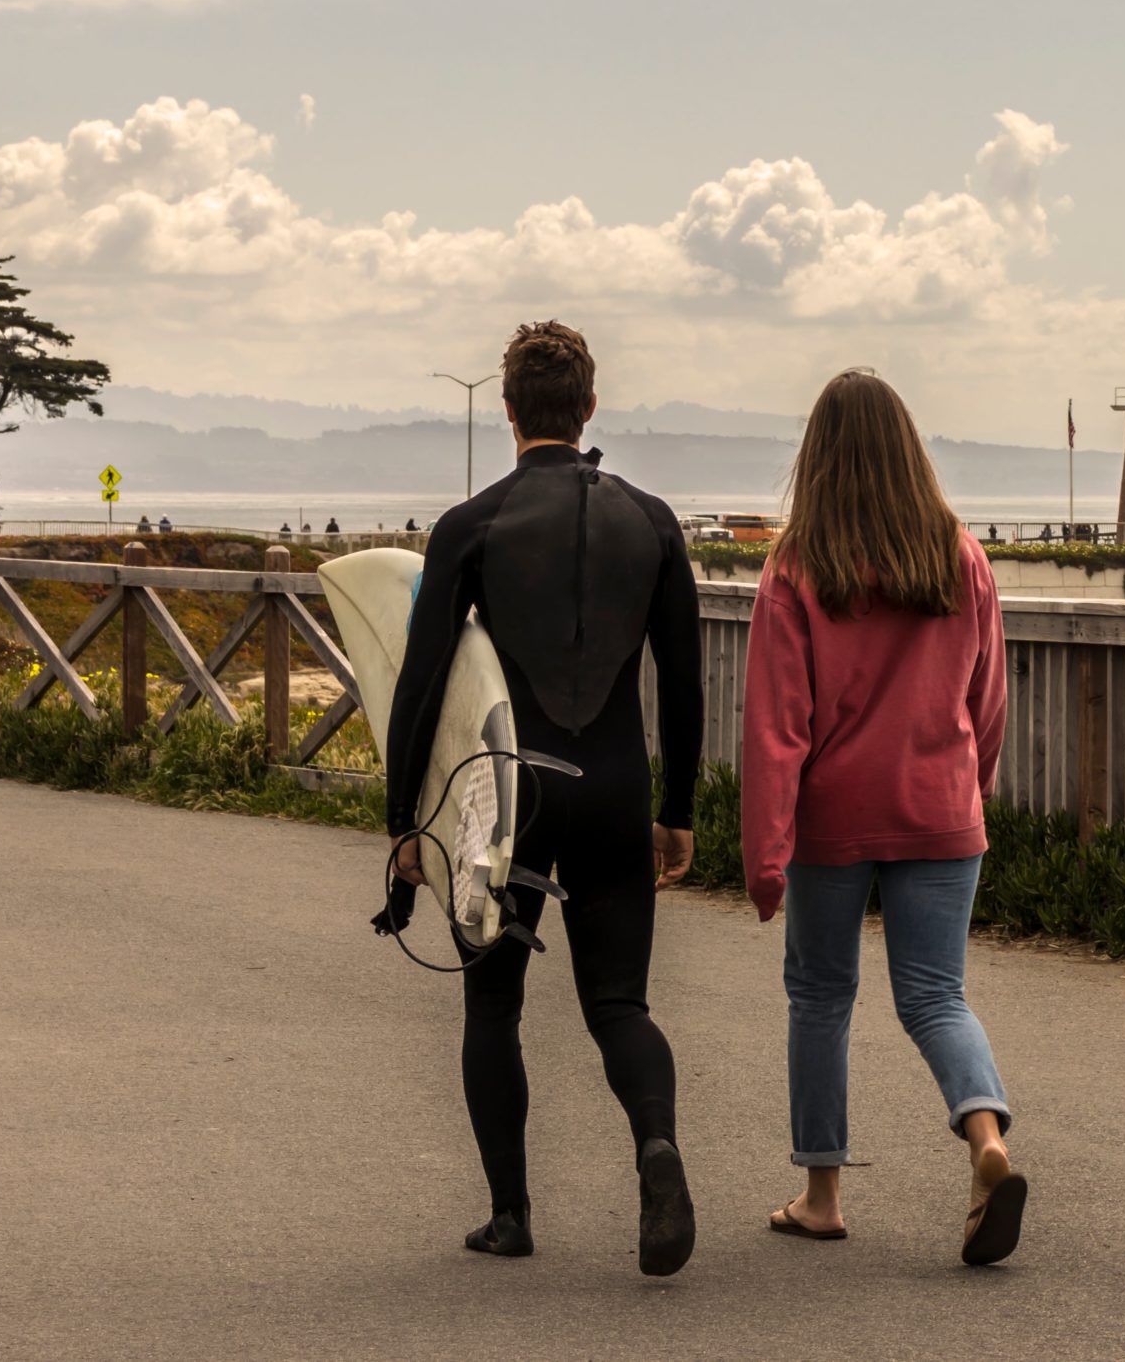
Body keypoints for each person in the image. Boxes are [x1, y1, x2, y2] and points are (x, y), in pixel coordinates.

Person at [383, 320, 707, 1276]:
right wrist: (677, 808)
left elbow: (423, 684)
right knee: (619, 1004)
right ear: (591, 407)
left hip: (503, 795)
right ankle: (657, 1149)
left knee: (494, 1005)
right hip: (614, 790)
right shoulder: (650, 521)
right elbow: (683, 682)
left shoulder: (470, 527)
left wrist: (405, 822)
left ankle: (511, 1215)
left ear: (512, 410)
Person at [741, 368, 1024, 1267]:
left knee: (821, 997)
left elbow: (774, 728)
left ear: (817, 458)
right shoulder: (959, 554)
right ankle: (986, 1138)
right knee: (937, 995)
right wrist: (967, 789)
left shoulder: (795, 568)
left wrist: (765, 853)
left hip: (834, 821)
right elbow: (990, 698)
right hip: (942, 811)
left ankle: (821, 1196)